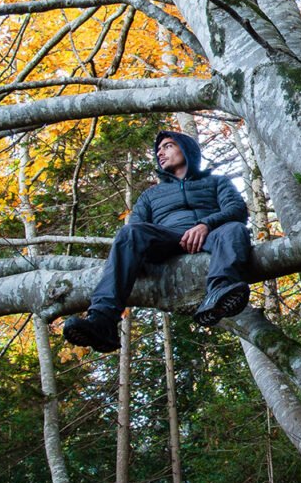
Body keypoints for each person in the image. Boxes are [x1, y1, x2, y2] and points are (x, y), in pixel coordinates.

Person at [61, 130, 251, 352]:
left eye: (168, 146)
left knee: (235, 229)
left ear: (187, 149)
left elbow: (237, 210)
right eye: (158, 150)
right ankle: (103, 320)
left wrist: (205, 224)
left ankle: (219, 294)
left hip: (211, 235)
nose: (160, 153)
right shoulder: (151, 195)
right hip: (167, 241)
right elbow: (134, 232)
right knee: (128, 233)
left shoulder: (217, 182)